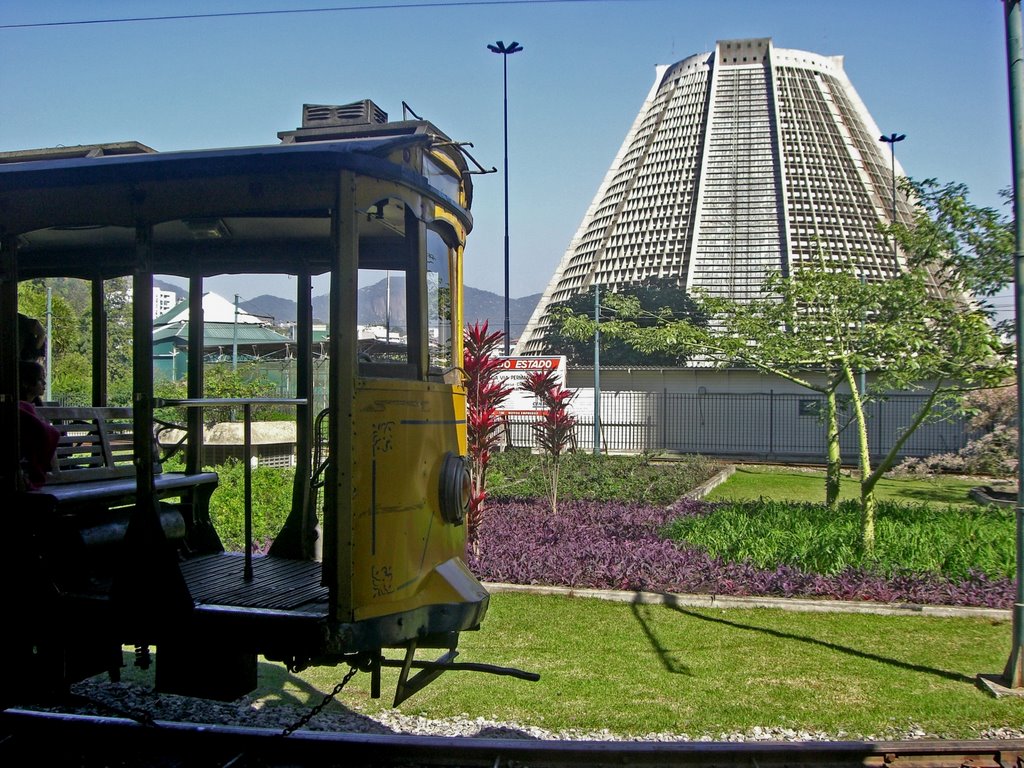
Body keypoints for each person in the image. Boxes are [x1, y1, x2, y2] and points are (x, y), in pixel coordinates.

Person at [19, 360, 59, 490]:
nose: (45, 383)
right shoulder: (23, 411)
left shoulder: (33, 409)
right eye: (40, 379)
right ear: (26, 383)